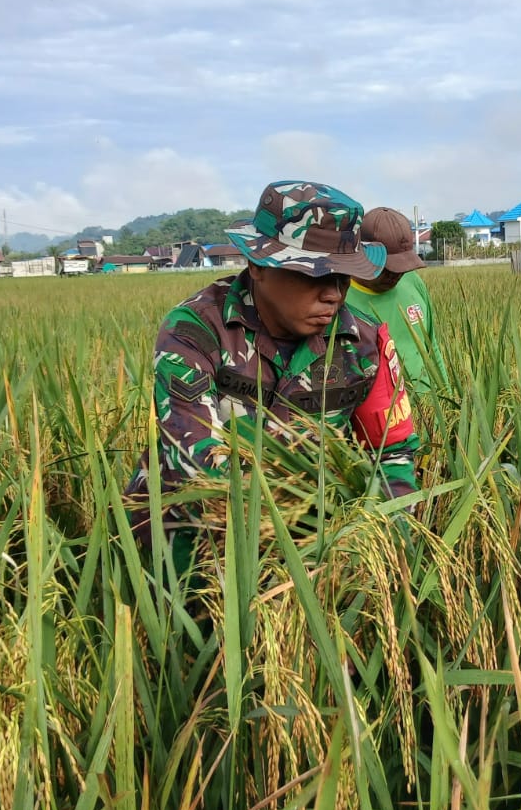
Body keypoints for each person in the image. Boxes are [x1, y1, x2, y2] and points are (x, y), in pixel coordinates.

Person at [131, 180, 419, 542]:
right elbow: (197, 468)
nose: (333, 294)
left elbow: (393, 454)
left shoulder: (364, 345)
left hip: (318, 537)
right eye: (314, 273)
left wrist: (377, 544)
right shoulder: (196, 332)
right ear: (258, 266)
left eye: (343, 277)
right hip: (191, 536)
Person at [343, 207, 450, 396]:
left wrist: (448, 397)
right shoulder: (340, 300)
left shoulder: (413, 282)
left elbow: (432, 347)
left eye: (403, 266)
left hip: (430, 415)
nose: (397, 274)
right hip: (383, 418)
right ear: (364, 255)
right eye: (389, 267)